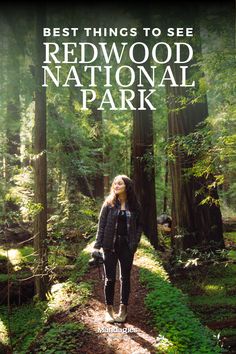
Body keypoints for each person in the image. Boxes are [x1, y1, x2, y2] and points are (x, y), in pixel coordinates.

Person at [92, 174, 143, 323]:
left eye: (119, 184)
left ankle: (123, 309)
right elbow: (101, 226)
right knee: (110, 278)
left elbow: (140, 225)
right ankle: (109, 310)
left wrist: (135, 242)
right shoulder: (108, 204)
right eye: (115, 184)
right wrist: (97, 246)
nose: (116, 186)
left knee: (125, 278)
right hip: (110, 245)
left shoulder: (134, 206)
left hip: (127, 246)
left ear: (127, 186)